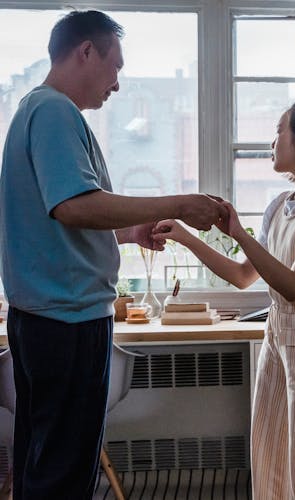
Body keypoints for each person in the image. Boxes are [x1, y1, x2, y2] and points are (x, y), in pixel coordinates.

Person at [0, 10, 226, 499]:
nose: (117, 85)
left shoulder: (33, 111)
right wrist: (179, 202)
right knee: (64, 473)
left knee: (43, 463)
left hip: (44, 317)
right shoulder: (55, 111)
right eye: (115, 67)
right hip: (68, 322)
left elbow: (57, 218)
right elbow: (74, 206)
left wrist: (127, 232)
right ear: (86, 51)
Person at [152, 95, 295, 499]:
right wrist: (187, 236)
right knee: (269, 450)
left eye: (280, 130)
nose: (274, 140)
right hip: (279, 334)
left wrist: (239, 234)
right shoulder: (281, 206)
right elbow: (243, 276)